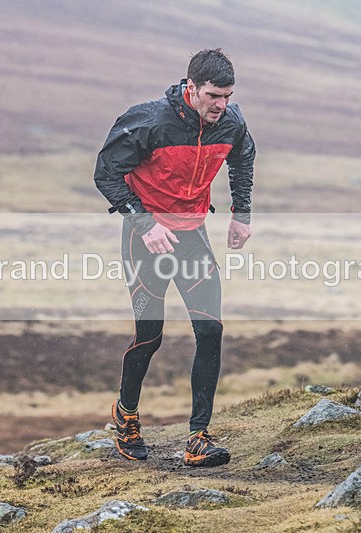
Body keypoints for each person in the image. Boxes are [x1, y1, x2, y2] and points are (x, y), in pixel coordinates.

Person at [94, 48, 255, 467]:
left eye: (227, 95)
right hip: (145, 241)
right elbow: (106, 172)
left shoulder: (231, 123)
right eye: (213, 95)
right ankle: (126, 416)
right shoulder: (149, 121)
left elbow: (242, 157)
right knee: (150, 337)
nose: (221, 104)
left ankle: (198, 438)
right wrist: (146, 224)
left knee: (211, 332)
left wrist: (241, 215)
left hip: (192, 237)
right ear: (191, 88)